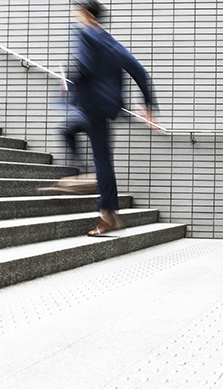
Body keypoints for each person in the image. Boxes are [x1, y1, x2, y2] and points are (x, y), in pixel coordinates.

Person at [61, 0, 159, 236]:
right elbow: (139, 70)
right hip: (104, 108)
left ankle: (92, 187)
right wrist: (148, 106)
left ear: (87, 14)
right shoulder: (111, 42)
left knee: (95, 154)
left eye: (78, 13)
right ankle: (109, 211)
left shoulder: (86, 35)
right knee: (86, 144)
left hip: (92, 106)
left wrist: (68, 82)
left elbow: (84, 68)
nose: (76, 17)